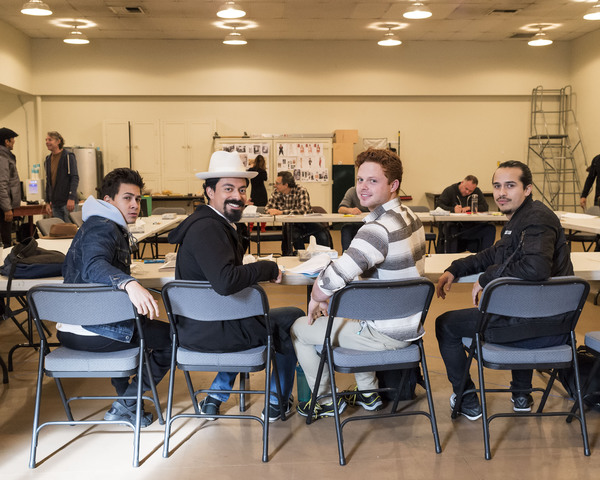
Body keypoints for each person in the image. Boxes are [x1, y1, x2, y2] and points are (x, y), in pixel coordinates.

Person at [167, 151, 304, 422]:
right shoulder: (208, 228)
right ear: (209, 191)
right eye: (228, 188)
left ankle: (216, 396)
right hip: (212, 334)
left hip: (196, 329)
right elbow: (225, 281)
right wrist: (266, 267)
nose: (238, 196)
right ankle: (277, 401)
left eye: (242, 190)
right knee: (292, 318)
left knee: (245, 317)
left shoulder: (207, 223)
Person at [291, 148, 427, 419]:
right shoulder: (411, 217)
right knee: (353, 314)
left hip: (384, 334)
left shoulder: (377, 229)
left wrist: (317, 296)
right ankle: (368, 394)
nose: (363, 188)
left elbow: (331, 279)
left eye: (373, 181)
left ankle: (326, 400)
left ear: (393, 185)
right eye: (360, 180)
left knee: (299, 329)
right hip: (409, 327)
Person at [435, 160, 573, 421]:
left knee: (446, 324)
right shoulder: (520, 219)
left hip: (544, 329)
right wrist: (456, 268)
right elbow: (493, 254)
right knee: (516, 303)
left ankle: (466, 400)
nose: (501, 193)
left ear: (528, 189)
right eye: (497, 186)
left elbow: (535, 268)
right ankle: (521, 393)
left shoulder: (537, 219)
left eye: (510, 186)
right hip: (540, 322)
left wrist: (487, 280)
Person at [60, 168, 171, 427]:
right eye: (127, 198)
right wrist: (129, 283)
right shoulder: (103, 227)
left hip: (73, 328)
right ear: (108, 201)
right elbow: (93, 265)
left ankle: (127, 402)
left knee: (142, 326)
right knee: (174, 338)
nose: (135, 205)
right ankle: (128, 401)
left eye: (138, 199)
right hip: (95, 330)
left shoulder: (99, 224)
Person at [265, 170, 330, 255]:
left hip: (307, 222)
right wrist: (270, 210)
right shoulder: (276, 192)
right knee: (294, 236)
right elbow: (267, 208)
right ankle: (301, 257)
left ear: (286, 185)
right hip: (292, 224)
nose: (275, 185)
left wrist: (281, 212)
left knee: (323, 235)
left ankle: (326, 256)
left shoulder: (301, 190)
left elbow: (304, 209)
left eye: (277, 183)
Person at [436, 175, 496, 253]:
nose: (467, 192)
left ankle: (484, 258)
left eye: (470, 191)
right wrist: (453, 210)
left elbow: (485, 207)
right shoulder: (450, 190)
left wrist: (469, 208)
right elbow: (438, 205)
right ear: (462, 183)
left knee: (490, 228)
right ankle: (450, 259)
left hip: (471, 226)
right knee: (451, 228)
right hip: (455, 226)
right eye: (466, 189)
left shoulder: (476, 191)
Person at [44, 131, 79, 222]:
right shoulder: (47, 160)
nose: (47, 142)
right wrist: (47, 202)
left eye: (50, 140)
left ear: (58, 141)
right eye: (46, 140)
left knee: (71, 231)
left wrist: (71, 198)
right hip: (55, 204)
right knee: (59, 233)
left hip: (68, 202)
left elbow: (74, 177)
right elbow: (48, 182)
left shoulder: (68, 156)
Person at [0, 127, 21, 247]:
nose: (14, 141)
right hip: (3, 207)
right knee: (6, 242)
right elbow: (1, 184)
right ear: (6, 141)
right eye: (12, 139)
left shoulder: (6, 156)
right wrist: (7, 208)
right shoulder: (2, 157)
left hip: (4, 204)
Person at [337, 185, 369, 252]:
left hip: (370, 223)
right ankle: (346, 254)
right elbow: (341, 209)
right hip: (355, 223)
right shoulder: (352, 191)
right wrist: (350, 210)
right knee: (346, 228)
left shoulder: (376, 191)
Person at [247, 154, 268, 233]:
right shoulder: (263, 171)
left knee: (252, 210)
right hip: (262, 192)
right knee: (263, 209)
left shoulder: (251, 170)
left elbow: (247, 174)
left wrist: (252, 166)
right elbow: (265, 179)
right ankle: (263, 228)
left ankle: (250, 228)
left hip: (254, 192)